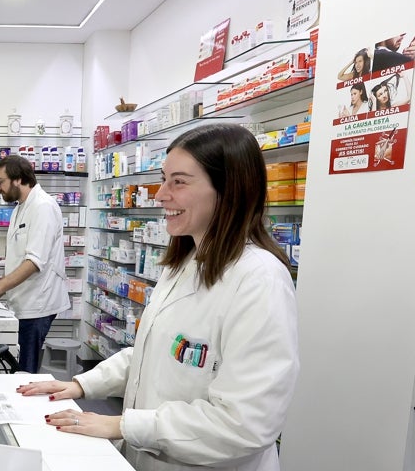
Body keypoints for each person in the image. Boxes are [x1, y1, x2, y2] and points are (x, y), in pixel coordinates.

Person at [17, 123, 299, 470]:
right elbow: (151, 352)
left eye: (178, 182)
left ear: (228, 190)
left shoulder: (260, 280)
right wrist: (81, 384)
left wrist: (123, 426)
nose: (160, 195)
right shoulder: (184, 263)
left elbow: (245, 423)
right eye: (164, 179)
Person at [0, 155, 67, 373]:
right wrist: (0, 292)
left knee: (25, 370)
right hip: (23, 299)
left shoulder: (43, 206)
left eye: (0, 181)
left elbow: (34, 261)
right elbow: (18, 256)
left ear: (18, 179)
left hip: (37, 303)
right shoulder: (20, 207)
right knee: (19, 363)